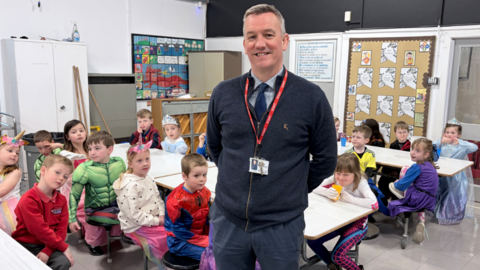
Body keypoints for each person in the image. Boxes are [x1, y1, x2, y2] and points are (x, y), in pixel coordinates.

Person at [206, 4, 337, 269]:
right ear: (244, 44)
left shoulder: (311, 97)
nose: (260, 44)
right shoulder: (223, 93)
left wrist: (291, 189)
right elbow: (216, 148)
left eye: (268, 34)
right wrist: (237, 181)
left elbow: (326, 158)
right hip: (228, 220)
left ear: (284, 41)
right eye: (252, 36)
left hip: (282, 225)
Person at [308, 154, 377, 270]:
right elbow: (312, 186)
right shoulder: (335, 178)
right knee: (312, 242)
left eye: (346, 174)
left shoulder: (360, 182)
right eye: (338, 173)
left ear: (355, 173)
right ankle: (333, 266)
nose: (340, 178)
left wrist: (349, 198)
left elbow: (374, 204)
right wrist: (326, 192)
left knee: (338, 255)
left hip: (358, 225)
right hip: (338, 221)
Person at [13, 154, 74, 270]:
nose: (61, 178)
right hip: (26, 244)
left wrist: (48, 250)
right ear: (43, 170)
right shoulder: (29, 199)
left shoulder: (61, 199)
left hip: (49, 244)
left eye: (65, 176)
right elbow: (39, 229)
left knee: (63, 262)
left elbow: (61, 229)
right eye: (57, 172)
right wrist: (64, 247)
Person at [68, 131, 125, 255]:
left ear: (110, 149)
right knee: (118, 217)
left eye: (97, 148)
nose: (92, 152)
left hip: (115, 203)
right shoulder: (84, 169)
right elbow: (74, 194)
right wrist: (71, 218)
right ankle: (91, 242)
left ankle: (121, 236)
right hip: (94, 208)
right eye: (89, 149)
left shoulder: (119, 163)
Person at [114, 141, 168, 269]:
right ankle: (166, 264)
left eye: (147, 159)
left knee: (176, 230)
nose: (145, 163)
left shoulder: (148, 178)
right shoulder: (130, 186)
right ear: (130, 164)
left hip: (152, 218)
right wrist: (157, 221)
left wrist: (162, 215)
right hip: (136, 225)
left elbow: (158, 199)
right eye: (139, 161)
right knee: (166, 236)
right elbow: (134, 215)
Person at [388, 138, 439, 243]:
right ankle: (421, 221)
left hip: (417, 198)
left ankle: (401, 195)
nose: (412, 152)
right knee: (415, 182)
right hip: (430, 200)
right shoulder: (430, 166)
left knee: (404, 170)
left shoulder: (416, 167)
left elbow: (402, 185)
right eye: (412, 149)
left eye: (417, 151)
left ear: (426, 155)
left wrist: (396, 183)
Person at [164, 153, 210, 260]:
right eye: (196, 176)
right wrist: (205, 240)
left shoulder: (204, 192)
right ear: (184, 176)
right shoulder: (175, 201)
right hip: (180, 242)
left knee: (226, 249)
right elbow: (179, 232)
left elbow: (205, 219)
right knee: (214, 255)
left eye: (204, 175)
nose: (202, 179)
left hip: (199, 236)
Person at [432, 118, 478, 225]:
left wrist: (461, 142)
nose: (449, 134)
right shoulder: (442, 144)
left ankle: (448, 216)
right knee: (439, 192)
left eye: (453, 133)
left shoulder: (462, 146)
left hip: (456, 176)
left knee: (451, 194)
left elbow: (475, 147)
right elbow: (432, 147)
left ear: (459, 134)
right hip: (442, 173)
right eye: (447, 132)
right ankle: (437, 213)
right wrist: (441, 140)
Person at [345, 126, 389, 217]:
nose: (354, 139)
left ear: (366, 140)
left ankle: (369, 214)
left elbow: (369, 172)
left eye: (358, 137)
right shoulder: (348, 153)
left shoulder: (370, 154)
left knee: (383, 199)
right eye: (353, 137)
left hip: (365, 180)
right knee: (373, 194)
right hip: (351, 181)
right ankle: (383, 213)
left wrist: (362, 181)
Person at [0, 131, 27, 235]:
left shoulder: (15, 171)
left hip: (8, 208)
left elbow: (3, 190)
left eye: (17, 153)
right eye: (10, 150)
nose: (14, 154)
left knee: (11, 234)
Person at [378, 121, 411, 204]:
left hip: (404, 171)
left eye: (404, 132)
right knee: (383, 181)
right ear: (395, 134)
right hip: (393, 169)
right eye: (399, 132)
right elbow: (390, 158)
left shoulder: (411, 146)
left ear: (408, 133)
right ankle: (383, 201)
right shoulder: (393, 145)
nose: (402, 134)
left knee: (399, 185)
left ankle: (396, 204)